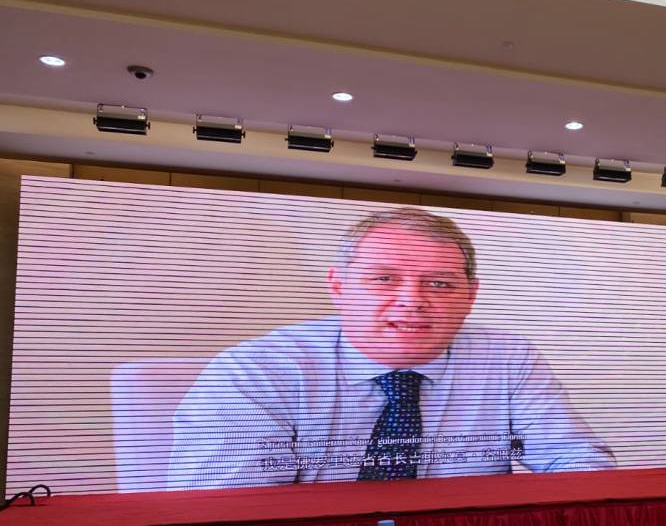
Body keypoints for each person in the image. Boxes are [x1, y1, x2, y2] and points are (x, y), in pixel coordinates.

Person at [168, 206, 615, 488]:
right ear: (338, 287)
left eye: (440, 284)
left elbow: (577, 463)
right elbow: (229, 511)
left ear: (471, 295)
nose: (412, 301)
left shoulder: (508, 359)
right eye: (384, 279)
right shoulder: (256, 370)